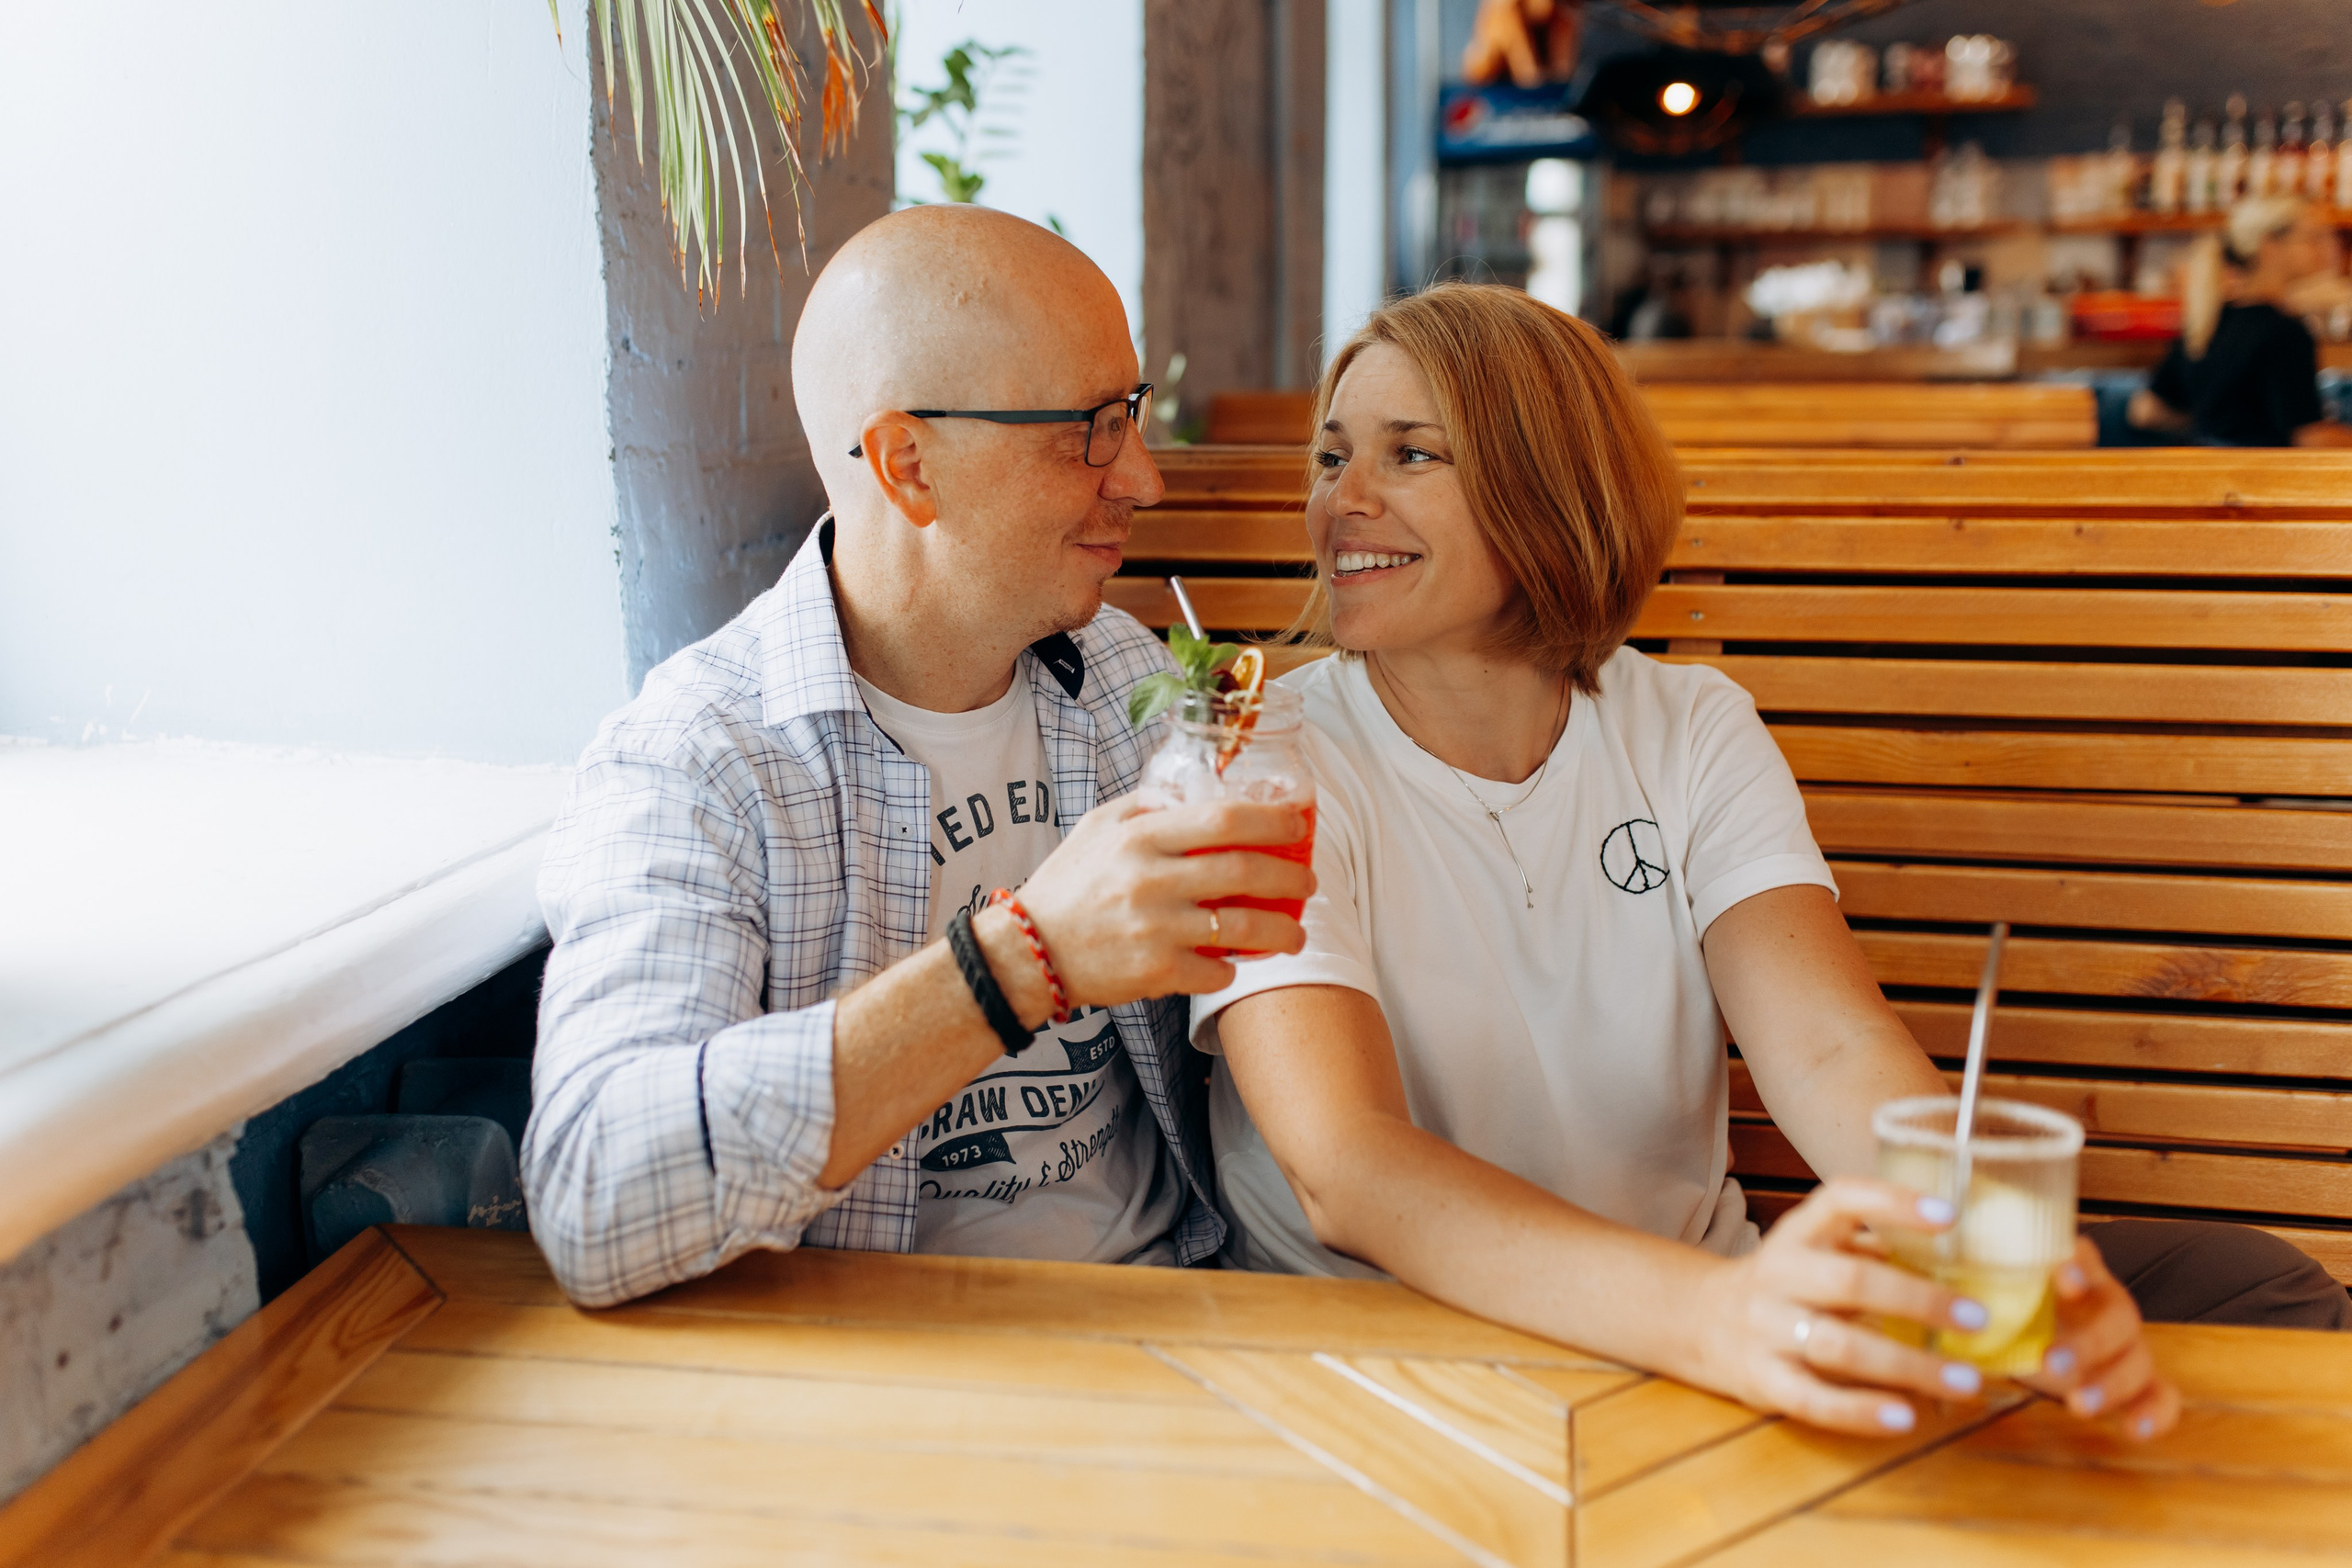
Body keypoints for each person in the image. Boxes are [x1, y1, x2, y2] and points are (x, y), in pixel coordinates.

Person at [1195, 282, 2350, 1446]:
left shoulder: (1689, 724)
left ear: (1546, 486)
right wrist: (1718, 1317)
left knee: (2263, 1290)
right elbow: (1347, 1167)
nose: (1343, 498)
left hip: (1704, 1322)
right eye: (1331, 457)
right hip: (1400, 1361)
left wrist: (1987, 1252)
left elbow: (1829, 1050)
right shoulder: (1257, 757)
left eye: (1410, 455)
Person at [520, 206, 1312, 1307]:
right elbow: (596, 1194)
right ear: (908, 466)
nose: (1143, 478)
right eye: (1089, 429)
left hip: (1177, 1310)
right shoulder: (701, 762)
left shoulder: (1126, 684)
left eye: (1129, 415)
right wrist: (1022, 960)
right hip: (877, 1361)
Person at [2128, 195, 2352, 447]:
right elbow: (2309, 436)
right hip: (2263, 471)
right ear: (2270, 246)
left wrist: (2220, 428)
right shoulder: (2283, 332)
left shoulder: (2209, 320)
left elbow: (2146, 412)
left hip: (2210, 466)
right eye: (2311, 239)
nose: (2324, 250)